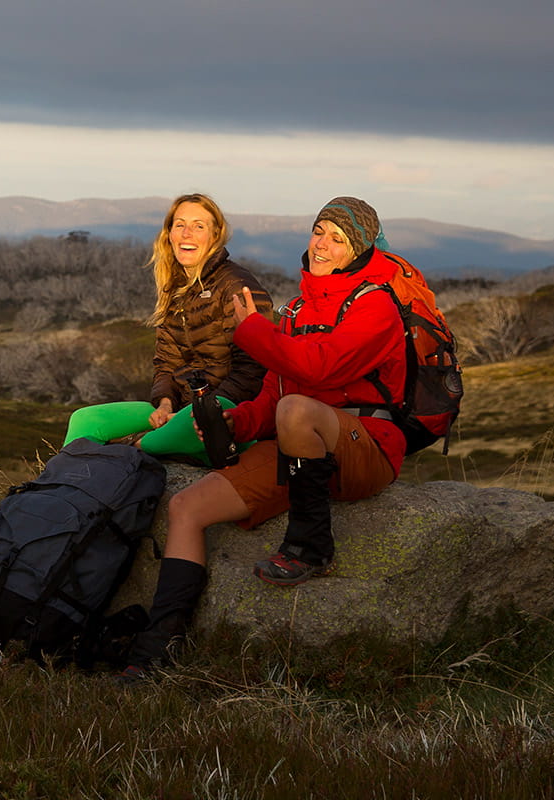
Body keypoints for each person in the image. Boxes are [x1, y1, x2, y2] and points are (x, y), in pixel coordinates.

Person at [118, 196, 407, 680]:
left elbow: (316, 368)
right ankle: (157, 649)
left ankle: (311, 548)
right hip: (299, 449)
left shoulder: (376, 305)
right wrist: (241, 424)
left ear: (360, 250)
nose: (323, 245)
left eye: (339, 240)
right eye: (319, 231)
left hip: (365, 446)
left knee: (296, 410)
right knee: (187, 508)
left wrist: (251, 330)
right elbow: (274, 391)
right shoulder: (296, 309)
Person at [63, 193, 273, 451]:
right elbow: (166, 363)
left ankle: (130, 450)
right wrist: (164, 404)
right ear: (169, 233)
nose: (187, 233)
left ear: (215, 235)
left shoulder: (236, 286)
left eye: (199, 226)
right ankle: (59, 486)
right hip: (182, 409)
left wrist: (198, 413)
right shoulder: (174, 289)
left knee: (140, 447)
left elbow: (254, 371)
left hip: (227, 411)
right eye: (180, 224)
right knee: (84, 419)